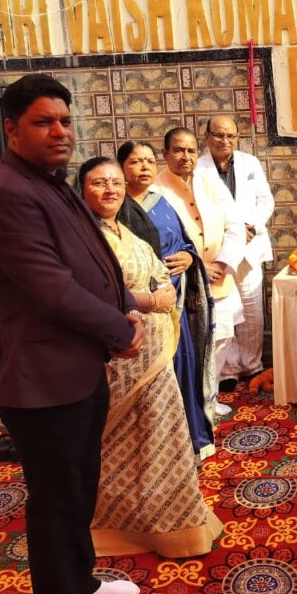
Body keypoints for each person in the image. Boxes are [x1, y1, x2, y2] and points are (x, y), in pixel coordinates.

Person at [0, 73, 143, 594]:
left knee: (78, 488)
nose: (60, 132)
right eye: (43, 122)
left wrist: (127, 306)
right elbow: (53, 289)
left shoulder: (50, 182)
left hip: (77, 369)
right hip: (42, 381)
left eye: (65, 121)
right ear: (11, 129)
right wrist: (120, 330)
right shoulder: (5, 192)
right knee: (55, 499)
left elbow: (93, 260)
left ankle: (80, 584)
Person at [78, 157, 224, 558]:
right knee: (121, 441)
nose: (110, 189)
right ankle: (120, 522)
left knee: (162, 434)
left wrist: (163, 292)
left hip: (155, 353)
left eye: (115, 182)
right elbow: (91, 291)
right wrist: (149, 300)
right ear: (81, 191)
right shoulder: (84, 238)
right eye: (98, 183)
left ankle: (171, 520)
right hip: (119, 355)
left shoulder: (126, 230)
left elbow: (158, 271)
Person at [118, 140, 216, 458]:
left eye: (149, 161)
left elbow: (185, 243)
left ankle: (189, 441)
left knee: (181, 368)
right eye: (136, 161)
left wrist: (189, 258)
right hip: (139, 309)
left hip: (174, 304)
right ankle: (155, 450)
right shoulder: (115, 208)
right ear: (122, 168)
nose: (144, 167)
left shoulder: (161, 202)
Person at [156, 127, 245, 416]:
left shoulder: (210, 182)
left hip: (220, 277)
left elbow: (234, 225)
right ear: (165, 153)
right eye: (178, 150)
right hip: (184, 280)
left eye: (191, 151)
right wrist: (198, 266)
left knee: (222, 339)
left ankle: (210, 397)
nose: (185, 156)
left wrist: (222, 263)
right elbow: (160, 241)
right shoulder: (155, 190)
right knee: (190, 345)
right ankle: (189, 405)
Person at [196, 115, 274, 390]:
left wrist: (249, 226)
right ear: (206, 137)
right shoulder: (198, 168)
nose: (225, 141)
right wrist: (233, 231)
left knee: (252, 311)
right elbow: (201, 209)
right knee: (225, 310)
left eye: (230, 135)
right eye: (218, 135)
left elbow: (265, 201)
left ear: (237, 137)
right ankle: (228, 370)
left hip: (250, 245)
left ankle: (252, 365)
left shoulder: (250, 163)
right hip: (219, 250)